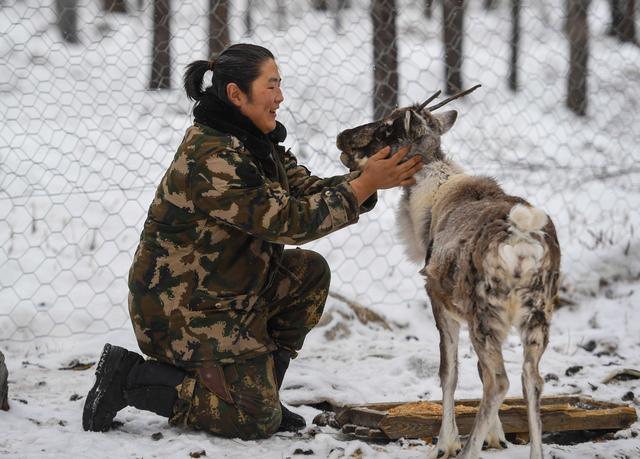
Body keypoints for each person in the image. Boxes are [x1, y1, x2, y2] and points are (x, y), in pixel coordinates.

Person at [82, 43, 422, 440]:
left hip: (224, 292)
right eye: (271, 86)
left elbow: (305, 191)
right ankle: (131, 378)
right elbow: (287, 221)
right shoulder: (212, 157)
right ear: (236, 94)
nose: (280, 97)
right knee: (253, 421)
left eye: (280, 85)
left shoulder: (256, 144)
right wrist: (364, 184)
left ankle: (258, 391)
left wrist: (369, 175)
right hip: (179, 310)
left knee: (309, 272)